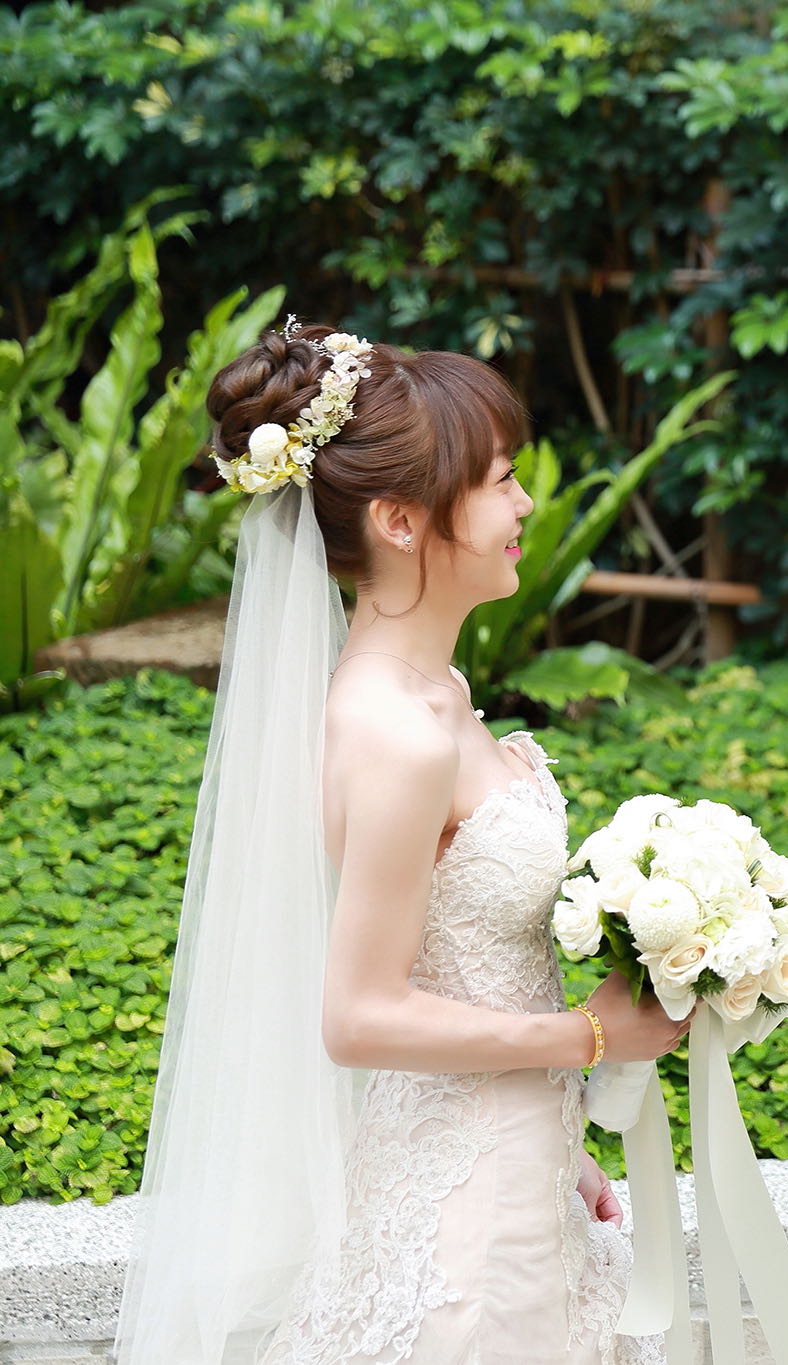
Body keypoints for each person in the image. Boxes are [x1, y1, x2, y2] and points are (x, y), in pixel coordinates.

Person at [114, 318, 691, 1364]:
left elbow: (449, 961)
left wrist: (557, 1142)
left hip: (504, 1171)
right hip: (468, 1243)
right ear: (398, 519)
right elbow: (360, 1014)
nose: (525, 505)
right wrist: (588, 1036)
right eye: (501, 481)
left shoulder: (439, 693)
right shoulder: (396, 733)